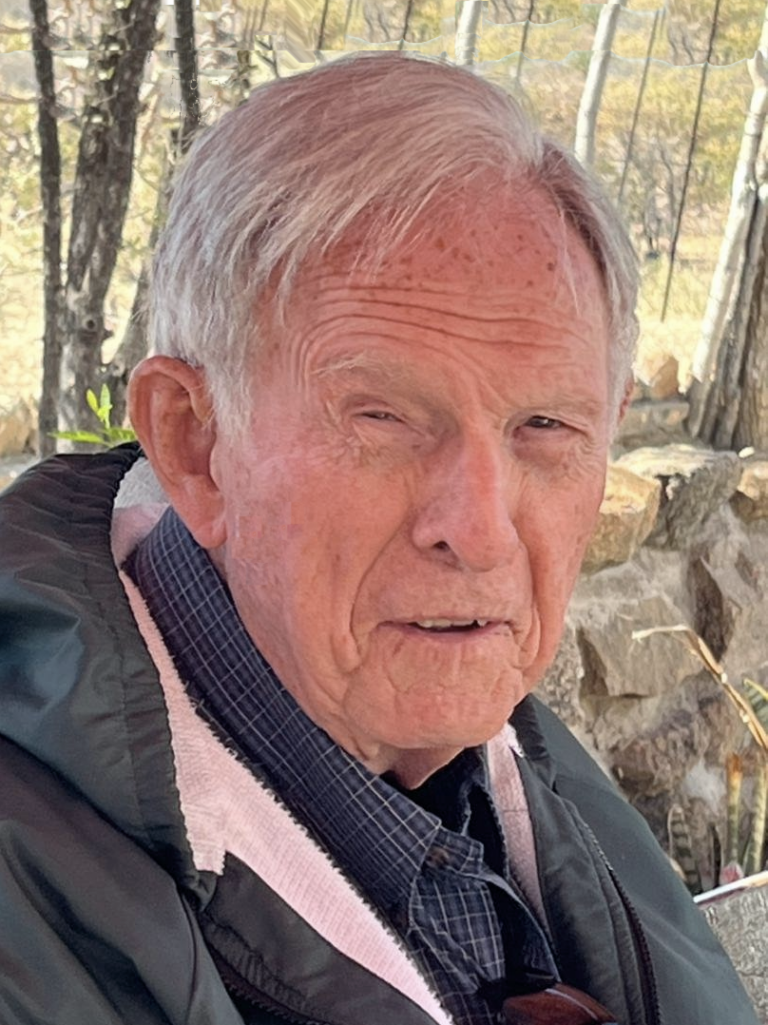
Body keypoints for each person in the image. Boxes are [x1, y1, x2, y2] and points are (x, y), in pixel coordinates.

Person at [0, 52, 759, 1025]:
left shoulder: (505, 751)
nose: (480, 533)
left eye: (545, 427)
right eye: (383, 419)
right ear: (194, 442)